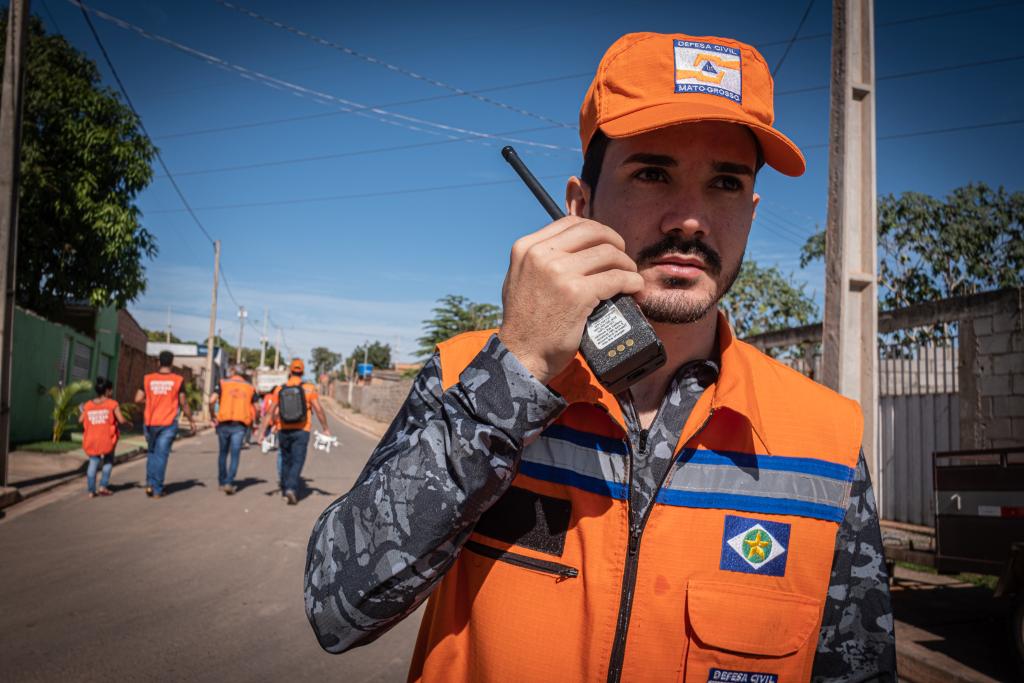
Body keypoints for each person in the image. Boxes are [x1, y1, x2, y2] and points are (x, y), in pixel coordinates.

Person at [304, 32, 896, 683]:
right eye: (652, 172)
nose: (692, 219)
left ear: (750, 212)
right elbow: (338, 609)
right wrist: (516, 368)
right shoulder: (466, 375)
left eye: (725, 182)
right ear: (579, 207)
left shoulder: (827, 438)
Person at [258, 359, 330, 505]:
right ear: (302, 372)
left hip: (283, 429)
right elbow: (318, 409)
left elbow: (270, 412)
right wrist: (325, 428)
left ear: (290, 371)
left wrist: (262, 432)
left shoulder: (280, 389)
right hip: (302, 429)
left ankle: (285, 487)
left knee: (285, 459)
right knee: (298, 460)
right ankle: (291, 487)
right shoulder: (309, 388)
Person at [134, 350, 195, 498]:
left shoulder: (147, 378)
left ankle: (149, 484)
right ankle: (157, 489)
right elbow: (183, 402)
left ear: (159, 362)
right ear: (172, 363)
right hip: (167, 423)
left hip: (149, 422)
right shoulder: (178, 380)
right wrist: (191, 420)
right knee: (161, 456)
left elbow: (137, 399)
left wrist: (151, 401)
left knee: (152, 453)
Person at [209, 364, 258, 494]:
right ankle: (229, 482)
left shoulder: (223, 383)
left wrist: (212, 415)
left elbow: (211, 400)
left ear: (232, 372)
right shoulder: (249, 387)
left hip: (223, 423)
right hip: (239, 425)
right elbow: (257, 408)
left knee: (223, 453)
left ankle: (221, 482)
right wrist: (254, 422)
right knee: (235, 454)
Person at [78, 376, 128, 498]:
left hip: (92, 439)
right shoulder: (112, 404)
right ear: (106, 391)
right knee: (108, 461)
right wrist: (129, 423)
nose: (112, 392)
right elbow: (121, 420)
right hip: (107, 439)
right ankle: (103, 486)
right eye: (111, 390)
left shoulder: (88, 405)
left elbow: (80, 420)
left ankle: (91, 490)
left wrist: (82, 411)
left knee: (93, 462)